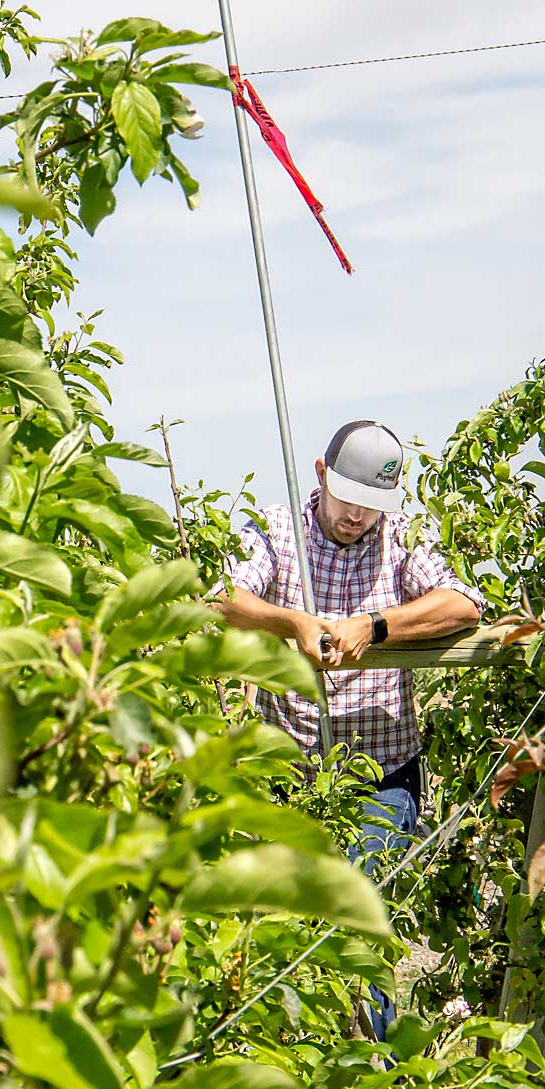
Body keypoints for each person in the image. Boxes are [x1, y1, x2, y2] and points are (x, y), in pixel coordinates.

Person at [217, 419, 483, 1041]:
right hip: (293, 775)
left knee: (362, 915)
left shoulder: (403, 538)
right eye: (347, 501)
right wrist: (295, 623)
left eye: (371, 506)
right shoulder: (276, 529)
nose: (357, 517)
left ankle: (375, 1071)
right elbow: (226, 597)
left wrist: (378, 626)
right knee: (283, 925)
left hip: (382, 773)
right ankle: (291, 1071)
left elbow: (463, 604)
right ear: (319, 476)